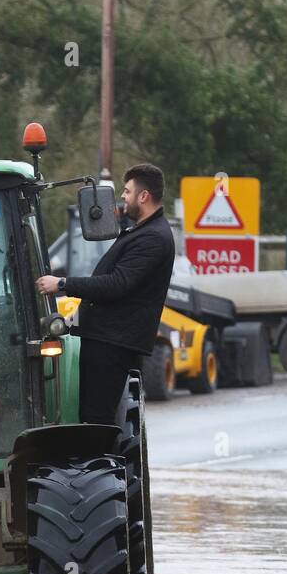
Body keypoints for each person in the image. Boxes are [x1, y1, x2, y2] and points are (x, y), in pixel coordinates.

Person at [36, 163, 175, 424]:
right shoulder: (142, 231)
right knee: (90, 415)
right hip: (104, 338)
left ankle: (100, 463)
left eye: (127, 191)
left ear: (143, 196)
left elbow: (116, 284)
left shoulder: (153, 238)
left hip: (112, 343)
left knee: (96, 419)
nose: (123, 197)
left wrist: (62, 283)